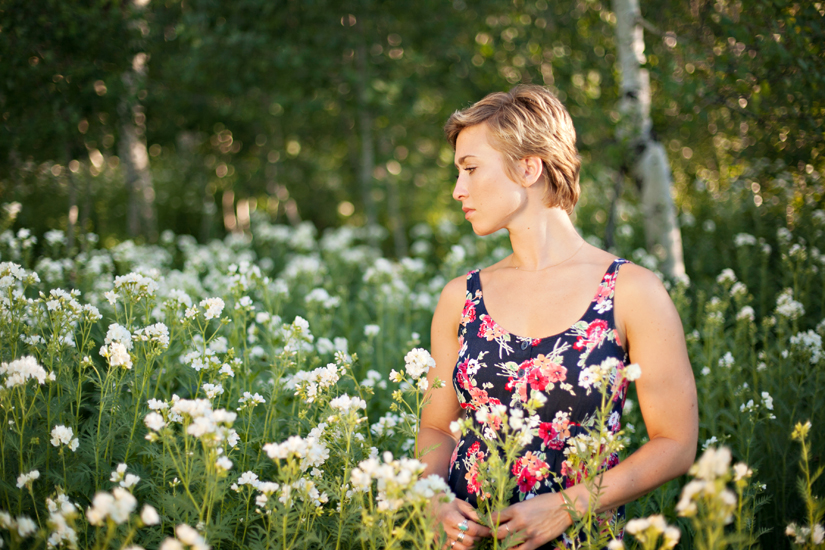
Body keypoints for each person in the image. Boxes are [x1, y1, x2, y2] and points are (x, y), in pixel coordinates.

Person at [417, 85, 698, 550]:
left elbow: (675, 444)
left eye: (471, 169)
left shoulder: (632, 292)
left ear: (529, 168)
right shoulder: (460, 297)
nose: (458, 189)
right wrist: (433, 500)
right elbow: (435, 426)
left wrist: (568, 506)